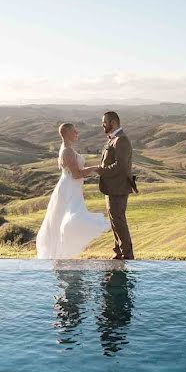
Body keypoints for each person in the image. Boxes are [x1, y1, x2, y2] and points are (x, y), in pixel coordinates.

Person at [35, 123, 110, 259]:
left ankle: (59, 252)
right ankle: (61, 250)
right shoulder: (67, 151)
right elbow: (76, 174)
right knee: (74, 216)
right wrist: (95, 168)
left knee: (64, 217)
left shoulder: (67, 148)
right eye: (74, 131)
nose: (77, 133)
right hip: (69, 188)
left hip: (72, 187)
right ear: (66, 133)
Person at [96, 111, 135, 260]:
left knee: (118, 221)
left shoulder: (121, 140)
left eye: (104, 122)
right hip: (112, 188)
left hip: (118, 188)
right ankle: (118, 252)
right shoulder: (115, 139)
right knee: (114, 221)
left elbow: (120, 166)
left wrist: (101, 170)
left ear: (112, 122)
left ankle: (127, 255)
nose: (102, 125)